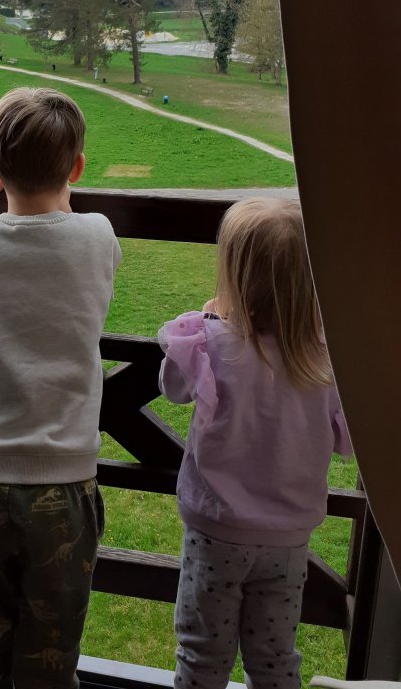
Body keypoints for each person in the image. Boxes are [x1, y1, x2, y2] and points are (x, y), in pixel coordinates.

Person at [0, 86, 122, 689]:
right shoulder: (97, 236)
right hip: (64, 482)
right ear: (77, 168)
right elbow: (61, 231)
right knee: (50, 655)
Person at [158, 198, 351, 689]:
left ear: (232, 275)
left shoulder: (209, 342)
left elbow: (172, 387)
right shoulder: (325, 362)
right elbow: (347, 441)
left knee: (202, 658)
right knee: (274, 660)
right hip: (287, 543)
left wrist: (208, 318)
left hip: (216, 532)